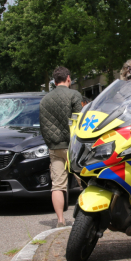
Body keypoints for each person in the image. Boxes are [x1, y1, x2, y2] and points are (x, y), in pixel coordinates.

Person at [39, 66, 83, 227]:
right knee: (84, 183)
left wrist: (51, 142)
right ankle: (84, 220)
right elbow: (81, 120)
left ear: (54, 81)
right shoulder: (74, 95)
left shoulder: (45, 99)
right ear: (69, 78)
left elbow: (43, 125)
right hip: (74, 147)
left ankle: (60, 220)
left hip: (55, 147)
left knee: (57, 185)